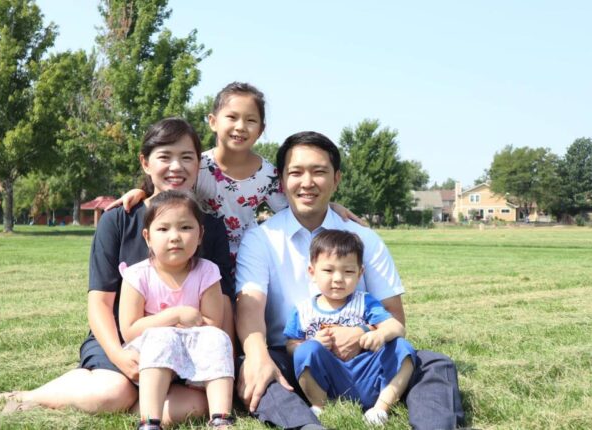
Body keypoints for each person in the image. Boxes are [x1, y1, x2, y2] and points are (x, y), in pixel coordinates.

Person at [0, 118, 234, 427]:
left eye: (187, 157)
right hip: (122, 338)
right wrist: (119, 357)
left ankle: (138, 407)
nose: (176, 167)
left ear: (199, 163)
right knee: (111, 392)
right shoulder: (118, 219)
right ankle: (26, 397)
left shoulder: (210, 227)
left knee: (195, 405)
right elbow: (100, 303)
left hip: (183, 348)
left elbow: (221, 305)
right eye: (164, 156)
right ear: (145, 162)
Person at [235, 131, 464, 430]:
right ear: (282, 181)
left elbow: (395, 318)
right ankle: (307, 425)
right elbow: (250, 309)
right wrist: (257, 357)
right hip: (296, 360)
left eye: (319, 172)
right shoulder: (260, 239)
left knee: (434, 364)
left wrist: (359, 334)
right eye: (296, 172)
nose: (307, 182)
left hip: (366, 358)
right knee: (251, 366)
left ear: (337, 179)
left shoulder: (365, 239)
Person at [106, 82, 363, 263]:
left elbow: (295, 207)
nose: (240, 127)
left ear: (261, 129)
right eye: (232, 117)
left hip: (249, 256)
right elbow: (167, 189)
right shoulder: (197, 164)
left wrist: (333, 206)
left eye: (250, 120)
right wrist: (140, 190)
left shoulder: (269, 175)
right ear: (213, 121)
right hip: (199, 252)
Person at [120, 190, 235, 429]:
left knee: (218, 338)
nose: (175, 237)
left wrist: (187, 327)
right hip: (151, 352)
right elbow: (130, 330)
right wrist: (175, 315)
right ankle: (150, 420)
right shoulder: (137, 275)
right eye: (163, 229)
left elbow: (213, 321)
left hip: (195, 347)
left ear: (201, 234)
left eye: (185, 228)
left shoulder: (207, 271)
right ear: (147, 237)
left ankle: (221, 417)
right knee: (162, 336)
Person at [284, 229, 416, 426]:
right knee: (305, 350)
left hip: (366, 372)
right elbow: (291, 345)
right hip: (330, 377)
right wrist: (312, 343)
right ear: (312, 272)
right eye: (328, 270)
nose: (338, 278)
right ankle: (320, 406)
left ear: (360, 273)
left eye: (348, 271)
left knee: (402, 348)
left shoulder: (365, 302)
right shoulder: (303, 310)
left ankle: (380, 408)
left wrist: (380, 334)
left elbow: (397, 327)